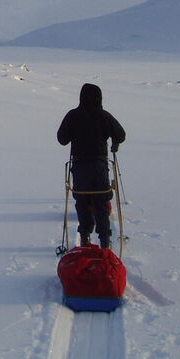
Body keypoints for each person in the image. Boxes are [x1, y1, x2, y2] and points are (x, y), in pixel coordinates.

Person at [57, 83, 126, 250]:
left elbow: (62, 139)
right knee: (101, 201)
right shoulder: (104, 116)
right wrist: (114, 142)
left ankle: (85, 235)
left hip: (80, 166)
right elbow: (121, 134)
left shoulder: (73, 115)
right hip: (99, 165)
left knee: (82, 200)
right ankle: (105, 240)